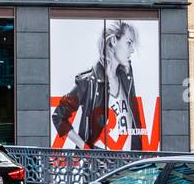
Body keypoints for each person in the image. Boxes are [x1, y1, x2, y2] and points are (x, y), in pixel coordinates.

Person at [52, 20, 147, 151]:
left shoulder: (127, 75)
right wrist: (84, 147)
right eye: (129, 43)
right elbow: (58, 116)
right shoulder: (88, 81)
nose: (132, 50)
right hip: (100, 165)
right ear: (114, 41)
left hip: (129, 164)